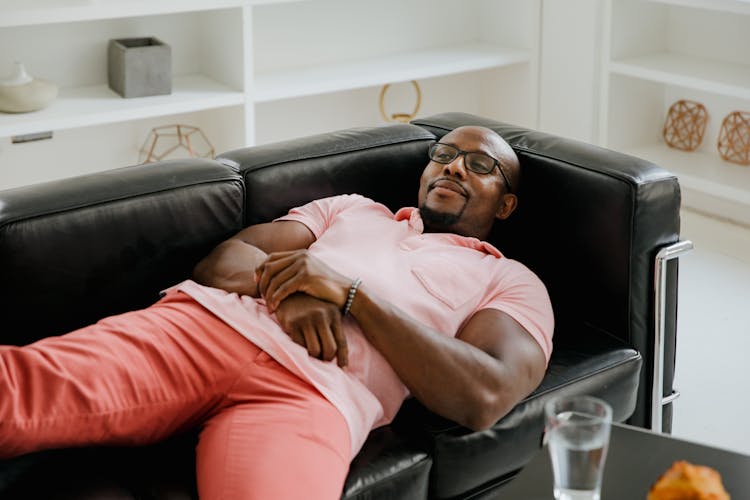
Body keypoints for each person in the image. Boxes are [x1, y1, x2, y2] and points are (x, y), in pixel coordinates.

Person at [0, 126, 554, 499]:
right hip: (207, 328)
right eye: (444, 155)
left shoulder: (507, 280)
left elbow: (485, 394)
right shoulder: (353, 210)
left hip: (316, 398)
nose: (454, 167)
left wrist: (350, 294)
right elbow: (226, 258)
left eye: (480, 165)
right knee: (18, 391)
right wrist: (294, 292)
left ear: (505, 205)